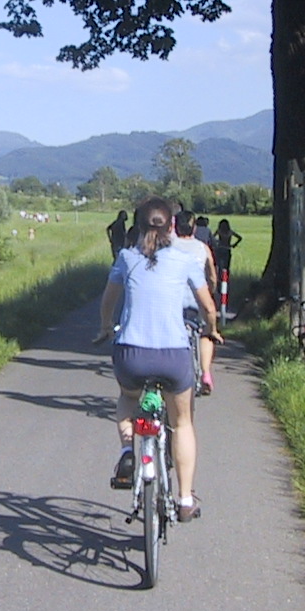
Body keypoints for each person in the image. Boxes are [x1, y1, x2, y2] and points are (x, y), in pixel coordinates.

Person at [93, 197, 222, 521]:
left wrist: (106, 327)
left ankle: (127, 452)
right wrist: (212, 329)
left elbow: (108, 302)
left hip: (132, 355)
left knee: (126, 399)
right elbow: (207, 307)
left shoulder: (126, 257)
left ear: (137, 227)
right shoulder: (184, 259)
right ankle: (184, 499)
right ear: (173, 226)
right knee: (181, 423)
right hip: (173, 356)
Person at [171, 209, 219, 394]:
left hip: (172, 301)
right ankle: (205, 372)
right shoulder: (202, 248)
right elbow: (212, 275)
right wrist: (210, 290)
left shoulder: (167, 246)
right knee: (206, 332)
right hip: (196, 300)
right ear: (194, 228)